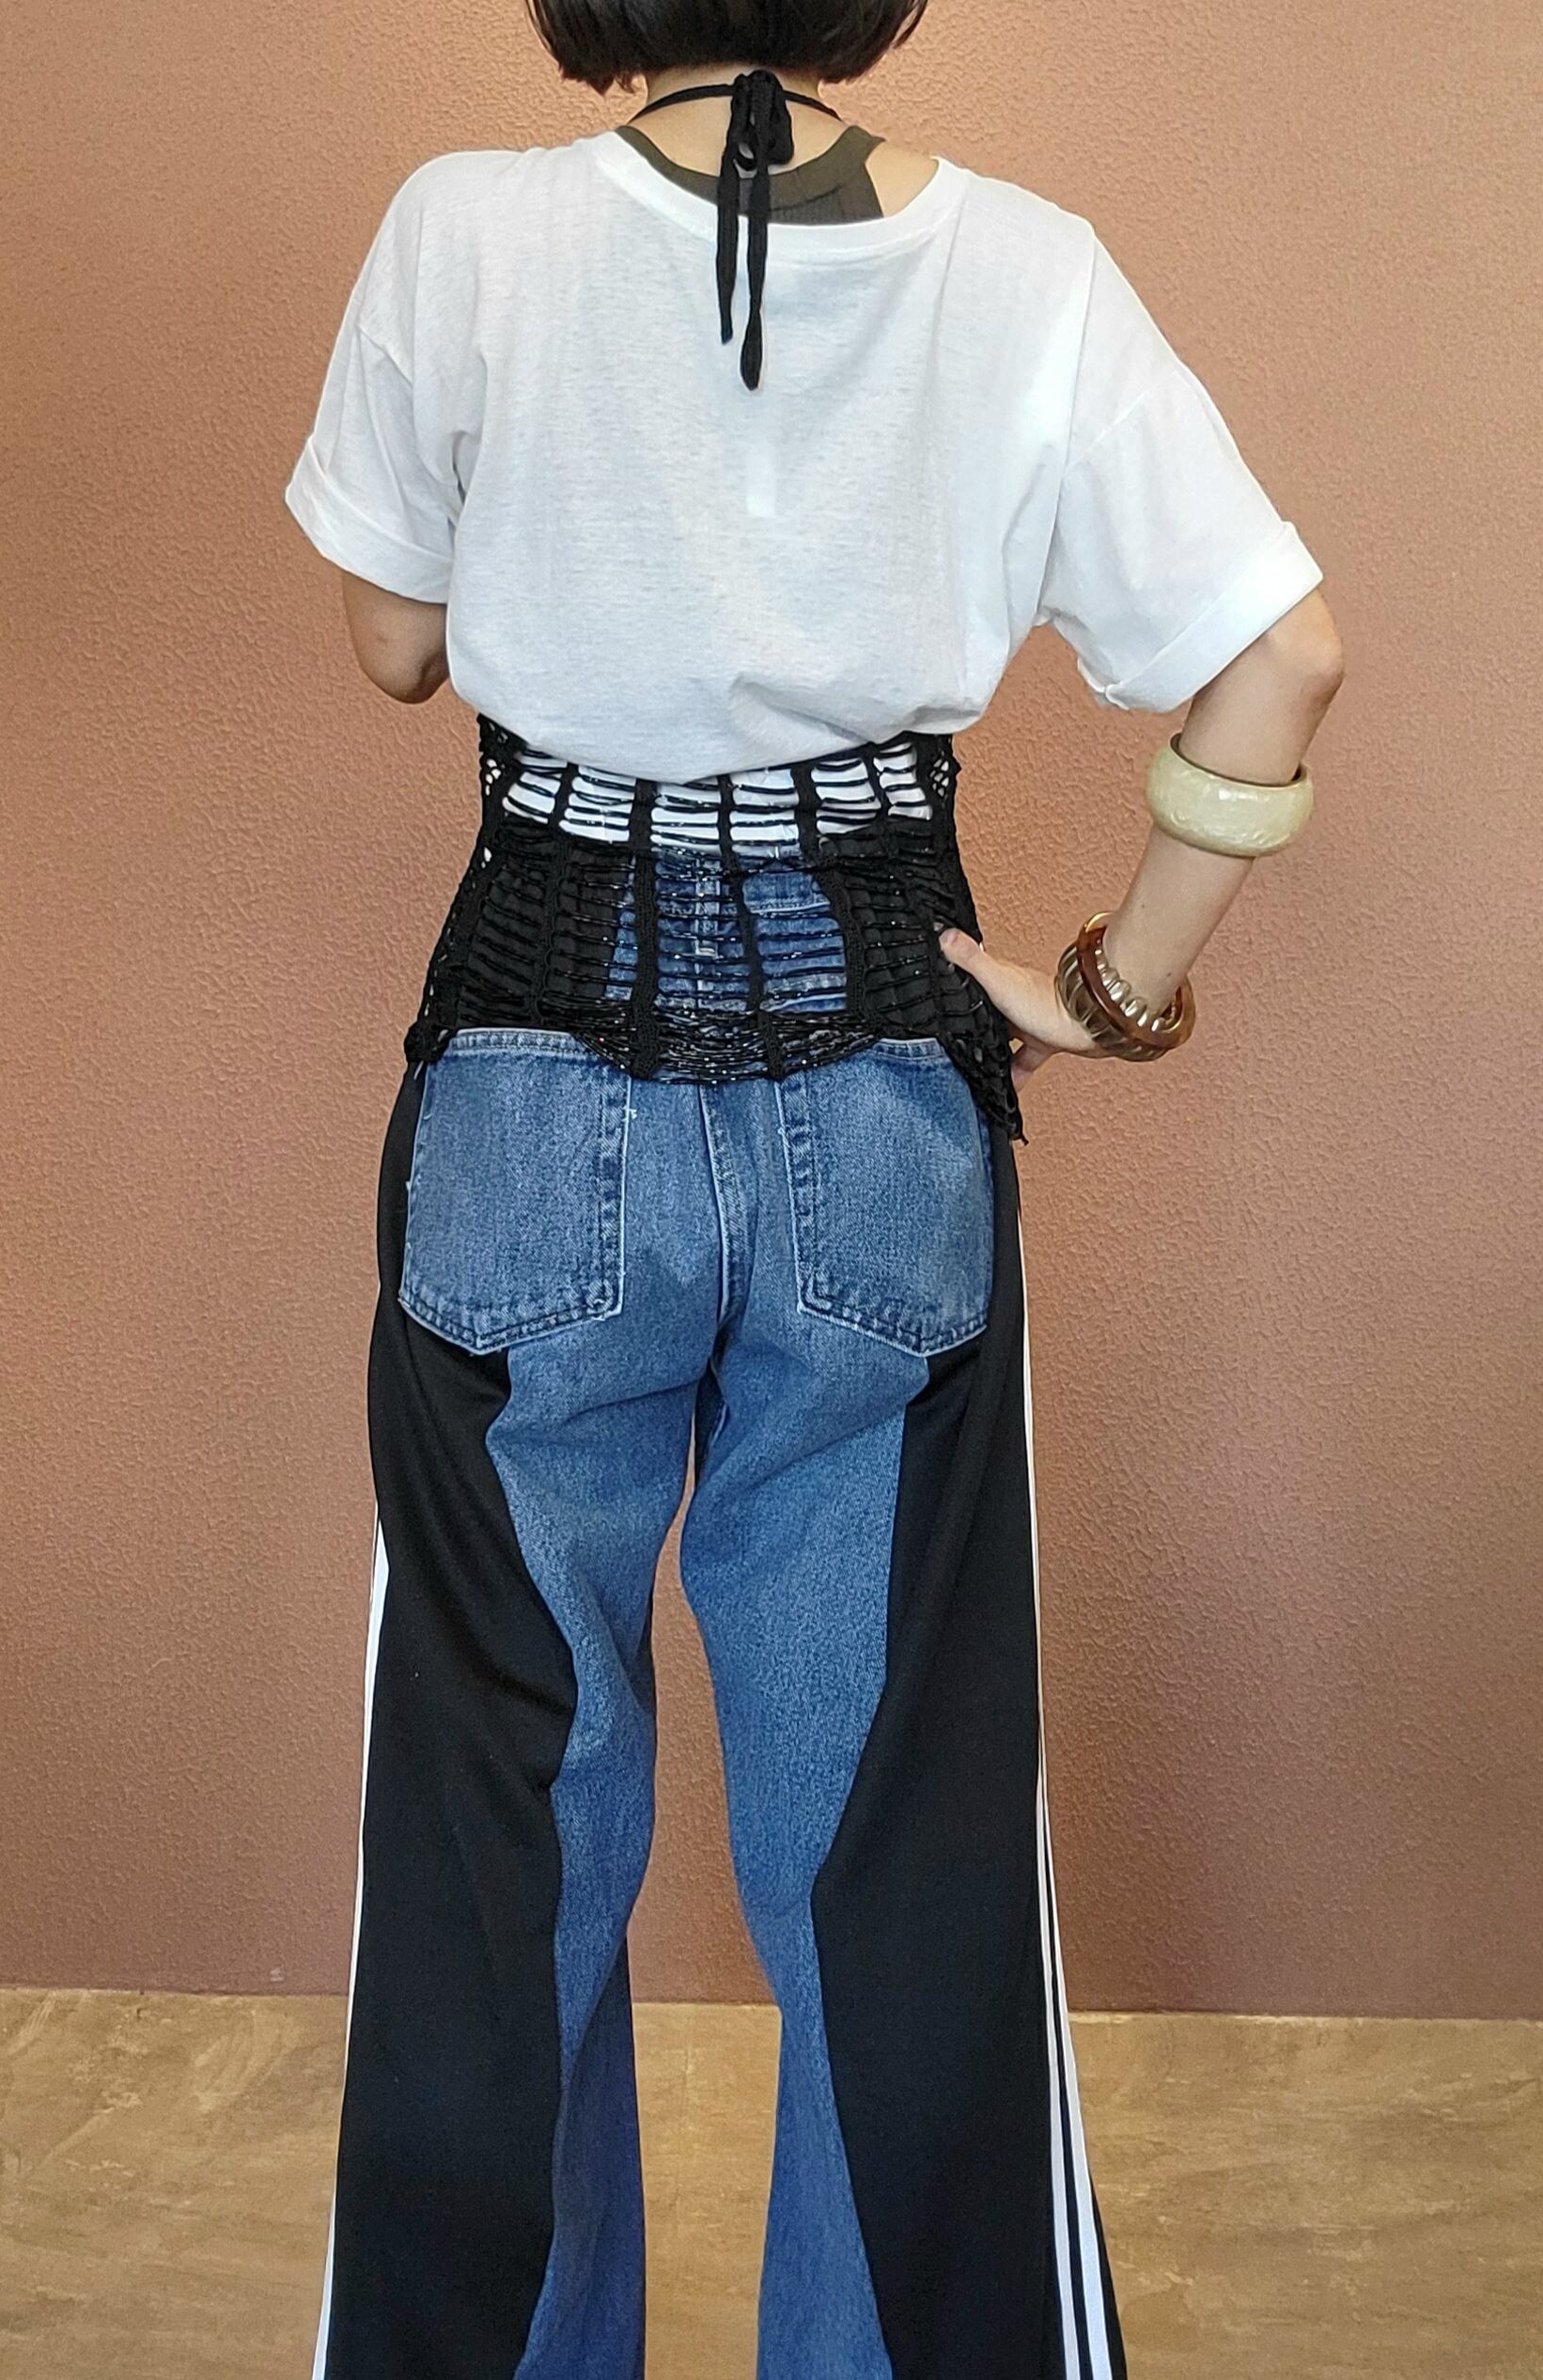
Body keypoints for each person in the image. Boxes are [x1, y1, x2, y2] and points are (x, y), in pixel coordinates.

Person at [282, 2, 1345, 2372]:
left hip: (533, 1071)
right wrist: (1116, 986)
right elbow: (1284, 656)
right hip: (883, 1085)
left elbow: (393, 638)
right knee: (896, 1853)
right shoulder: (1030, 269)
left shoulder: (466, 231)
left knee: (492, 1840)